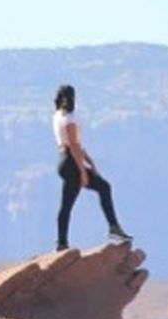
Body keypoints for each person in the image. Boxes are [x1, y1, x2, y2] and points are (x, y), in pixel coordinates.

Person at [53, 84, 132, 250]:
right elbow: (74, 145)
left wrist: (90, 162)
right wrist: (83, 171)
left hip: (63, 160)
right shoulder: (71, 118)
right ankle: (113, 228)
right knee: (104, 187)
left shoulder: (57, 116)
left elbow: (73, 145)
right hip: (72, 161)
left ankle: (61, 243)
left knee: (67, 204)